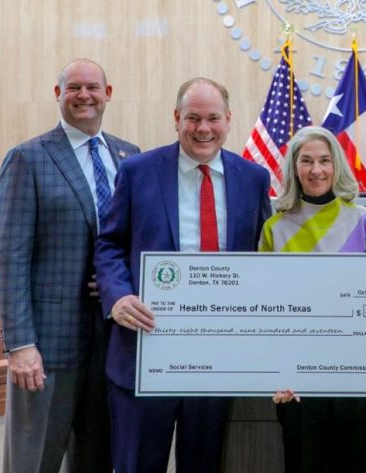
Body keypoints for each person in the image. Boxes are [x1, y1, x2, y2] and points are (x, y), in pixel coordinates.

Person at [94, 77, 271, 473]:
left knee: (203, 463)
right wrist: (118, 296)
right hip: (145, 347)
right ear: (176, 119)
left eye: (213, 118)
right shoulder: (138, 171)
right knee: (138, 464)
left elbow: (265, 258)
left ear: (229, 119)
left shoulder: (253, 178)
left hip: (217, 354)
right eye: (193, 118)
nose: (203, 128)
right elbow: (110, 244)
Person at [0, 58, 139, 473]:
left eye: (93, 87)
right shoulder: (28, 158)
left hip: (112, 341)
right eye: (74, 87)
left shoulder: (129, 157)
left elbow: (136, 240)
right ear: (58, 95)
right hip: (48, 346)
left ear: (108, 94)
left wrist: (116, 283)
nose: (84, 95)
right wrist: (20, 345)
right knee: (34, 458)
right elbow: (11, 258)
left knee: (98, 457)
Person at [261, 125, 366, 473]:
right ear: (294, 168)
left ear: (337, 165)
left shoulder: (364, 221)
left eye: (324, 160)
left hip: (354, 373)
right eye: (306, 161)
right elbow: (265, 309)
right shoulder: (274, 228)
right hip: (297, 379)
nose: (316, 170)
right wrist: (274, 372)